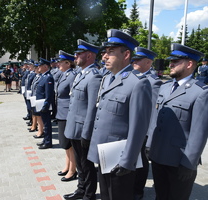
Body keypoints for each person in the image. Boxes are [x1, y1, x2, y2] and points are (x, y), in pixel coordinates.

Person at [87, 29, 152, 200]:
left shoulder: (138, 83)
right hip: (104, 154)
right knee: (106, 196)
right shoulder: (108, 78)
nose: (104, 57)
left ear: (126, 54)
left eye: (110, 52)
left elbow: (138, 128)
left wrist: (127, 161)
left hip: (119, 158)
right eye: (105, 52)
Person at [146, 43, 208, 200]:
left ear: (189, 64)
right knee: (160, 196)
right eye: (170, 61)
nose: (170, 64)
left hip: (179, 161)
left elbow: (199, 133)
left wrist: (189, 163)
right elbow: (155, 119)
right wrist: (149, 145)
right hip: (159, 156)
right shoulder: (165, 87)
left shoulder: (200, 92)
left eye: (175, 61)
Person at [63, 39, 102, 200]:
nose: (75, 56)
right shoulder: (81, 74)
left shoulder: (94, 77)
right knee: (80, 163)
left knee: (87, 165)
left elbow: (92, 108)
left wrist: (87, 133)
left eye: (79, 54)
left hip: (82, 130)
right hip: (74, 127)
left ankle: (89, 194)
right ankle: (81, 188)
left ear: (89, 56)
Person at [131, 47, 163, 200]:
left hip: (142, 131)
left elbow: (153, 112)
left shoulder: (153, 82)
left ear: (148, 62)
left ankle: (138, 191)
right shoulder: (131, 77)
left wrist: (149, 136)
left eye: (138, 59)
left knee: (141, 163)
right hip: (130, 128)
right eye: (134, 59)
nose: (134, 61)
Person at [55, 50, 77, 182]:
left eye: (60, 62)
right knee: (65, 144)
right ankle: (67, 166)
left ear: (68, 63)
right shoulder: (64, 75)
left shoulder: (72, 76)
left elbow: (73, 97)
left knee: (70, 144)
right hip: (61, 113)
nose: (58, 64)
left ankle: (72, 170)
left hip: (67, 114)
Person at [35, 58, 55, 149]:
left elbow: (49, 93)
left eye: (40, 65)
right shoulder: (43, 76)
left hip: (44, 104)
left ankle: (48, 142)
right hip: (40, 104)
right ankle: (45, 140)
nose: (38, 67)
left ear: (46, 66)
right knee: (44, 122)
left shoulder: (48, 77)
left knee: (47, 124)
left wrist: (46, 104)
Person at [31, 62, 44, 138]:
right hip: (35, 98)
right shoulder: (37, 76)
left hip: (39, 99)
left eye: (37, 68)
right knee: (36, 114)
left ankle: (41, 131)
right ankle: (39, 129)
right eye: (36, 68)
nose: (36, 69)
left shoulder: (42, 77)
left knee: (39, 116)